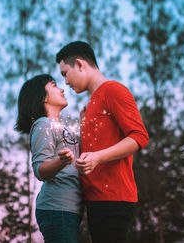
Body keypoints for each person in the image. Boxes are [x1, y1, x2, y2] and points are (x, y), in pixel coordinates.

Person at [56, 41, 149, 243]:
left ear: (80, 64)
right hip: (97, 200)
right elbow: (98, 145)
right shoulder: (91, 105)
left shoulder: (113, 90)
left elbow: (140, 136)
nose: (66, 82)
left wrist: (98, 157)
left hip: (113, 200)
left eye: (65, 73)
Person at [15, 74, 83, 243]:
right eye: (54, 85)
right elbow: (40, 170)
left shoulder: (62, 127)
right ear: (43, 97)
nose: (61, 89)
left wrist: (84, 122)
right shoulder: (43, 124)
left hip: (70, 208)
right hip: (57, 208)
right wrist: (61, 161)